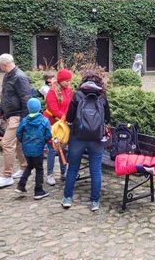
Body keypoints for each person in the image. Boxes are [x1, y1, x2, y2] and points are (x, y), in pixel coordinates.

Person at [62, 71, 110, 211]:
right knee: (95, 170)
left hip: (78, 137)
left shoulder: (77, 95)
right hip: (96, 138)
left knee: (73, 168)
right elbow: (108, 118)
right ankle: (95, 202)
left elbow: (69, 118)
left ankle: (67, 198)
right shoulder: (102, 96)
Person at [0, 53, 33, 189]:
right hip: (10, 115)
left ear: (5, 64)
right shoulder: (8, 75)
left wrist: (25, 121)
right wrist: (0, 110)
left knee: (7, 144)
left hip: (18, 116)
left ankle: (6, 176)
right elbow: (6, 97)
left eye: (0, 65)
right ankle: (24, 167)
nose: (0, 68)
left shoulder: (20, 77)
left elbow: (26, 99)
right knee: (18, 144)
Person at [15, 98, 52, 199]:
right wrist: (43, 141)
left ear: (28, 108)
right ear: (39, 108)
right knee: (39, 168)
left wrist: (24, 142)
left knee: (30, 165)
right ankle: (38, 190)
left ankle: (21, 185)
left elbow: (18, 133)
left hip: (27, 149)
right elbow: (49, 135)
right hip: (38, 149)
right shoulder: (44, 120)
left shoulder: (24, 120)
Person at [44, 68, 72, 186]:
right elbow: (54, 109)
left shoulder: (69, 90)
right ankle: (50, 174)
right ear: (60, 80)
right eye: (66, 81)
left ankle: (63, 172)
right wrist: (65, 118)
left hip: (63, 123)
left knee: (63, 148)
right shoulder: (52, 92)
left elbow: (70, 105)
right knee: (53, 148)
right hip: (53, 123)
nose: (68, 83)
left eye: (69, 80)